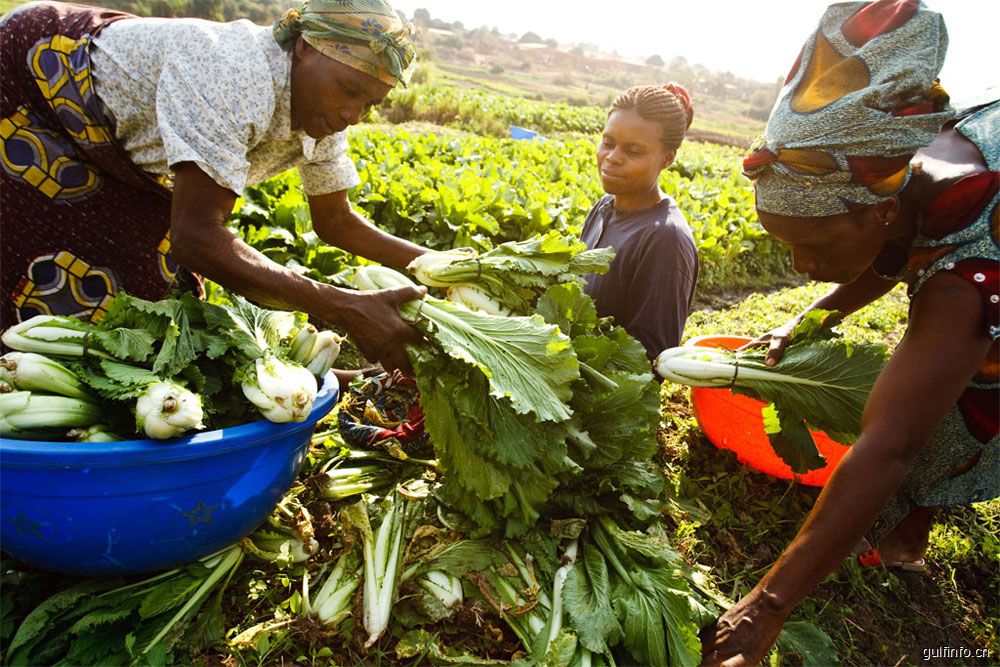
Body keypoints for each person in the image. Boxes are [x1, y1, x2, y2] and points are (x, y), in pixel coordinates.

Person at [698, 0, 998, 664]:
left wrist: (764, 608)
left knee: (970, 389)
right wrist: (810, 316)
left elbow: (891, 443)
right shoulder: (899, 183)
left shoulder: (962, 264)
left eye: (814, 246)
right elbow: (892, 250)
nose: (803, 268)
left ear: (876, 212)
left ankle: (908, 536)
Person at [0, 0, 428, 373]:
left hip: (121, 152)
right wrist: (346, 308)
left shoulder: (326, 115)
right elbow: (197, 238)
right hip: (36, 87)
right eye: (349, 90)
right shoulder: (235, 73)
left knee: (151, 295)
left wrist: (444, 267)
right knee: (55, 278)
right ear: (302, 48)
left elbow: (335, 220)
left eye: (369, 104)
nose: (353, 114)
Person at [580, 83, 699, 360]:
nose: (612, 158)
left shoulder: (666, 240)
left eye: (633, 152)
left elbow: (649, 361)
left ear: (667, 158)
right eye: (608, 143)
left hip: (600, 399)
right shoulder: (604, 208)